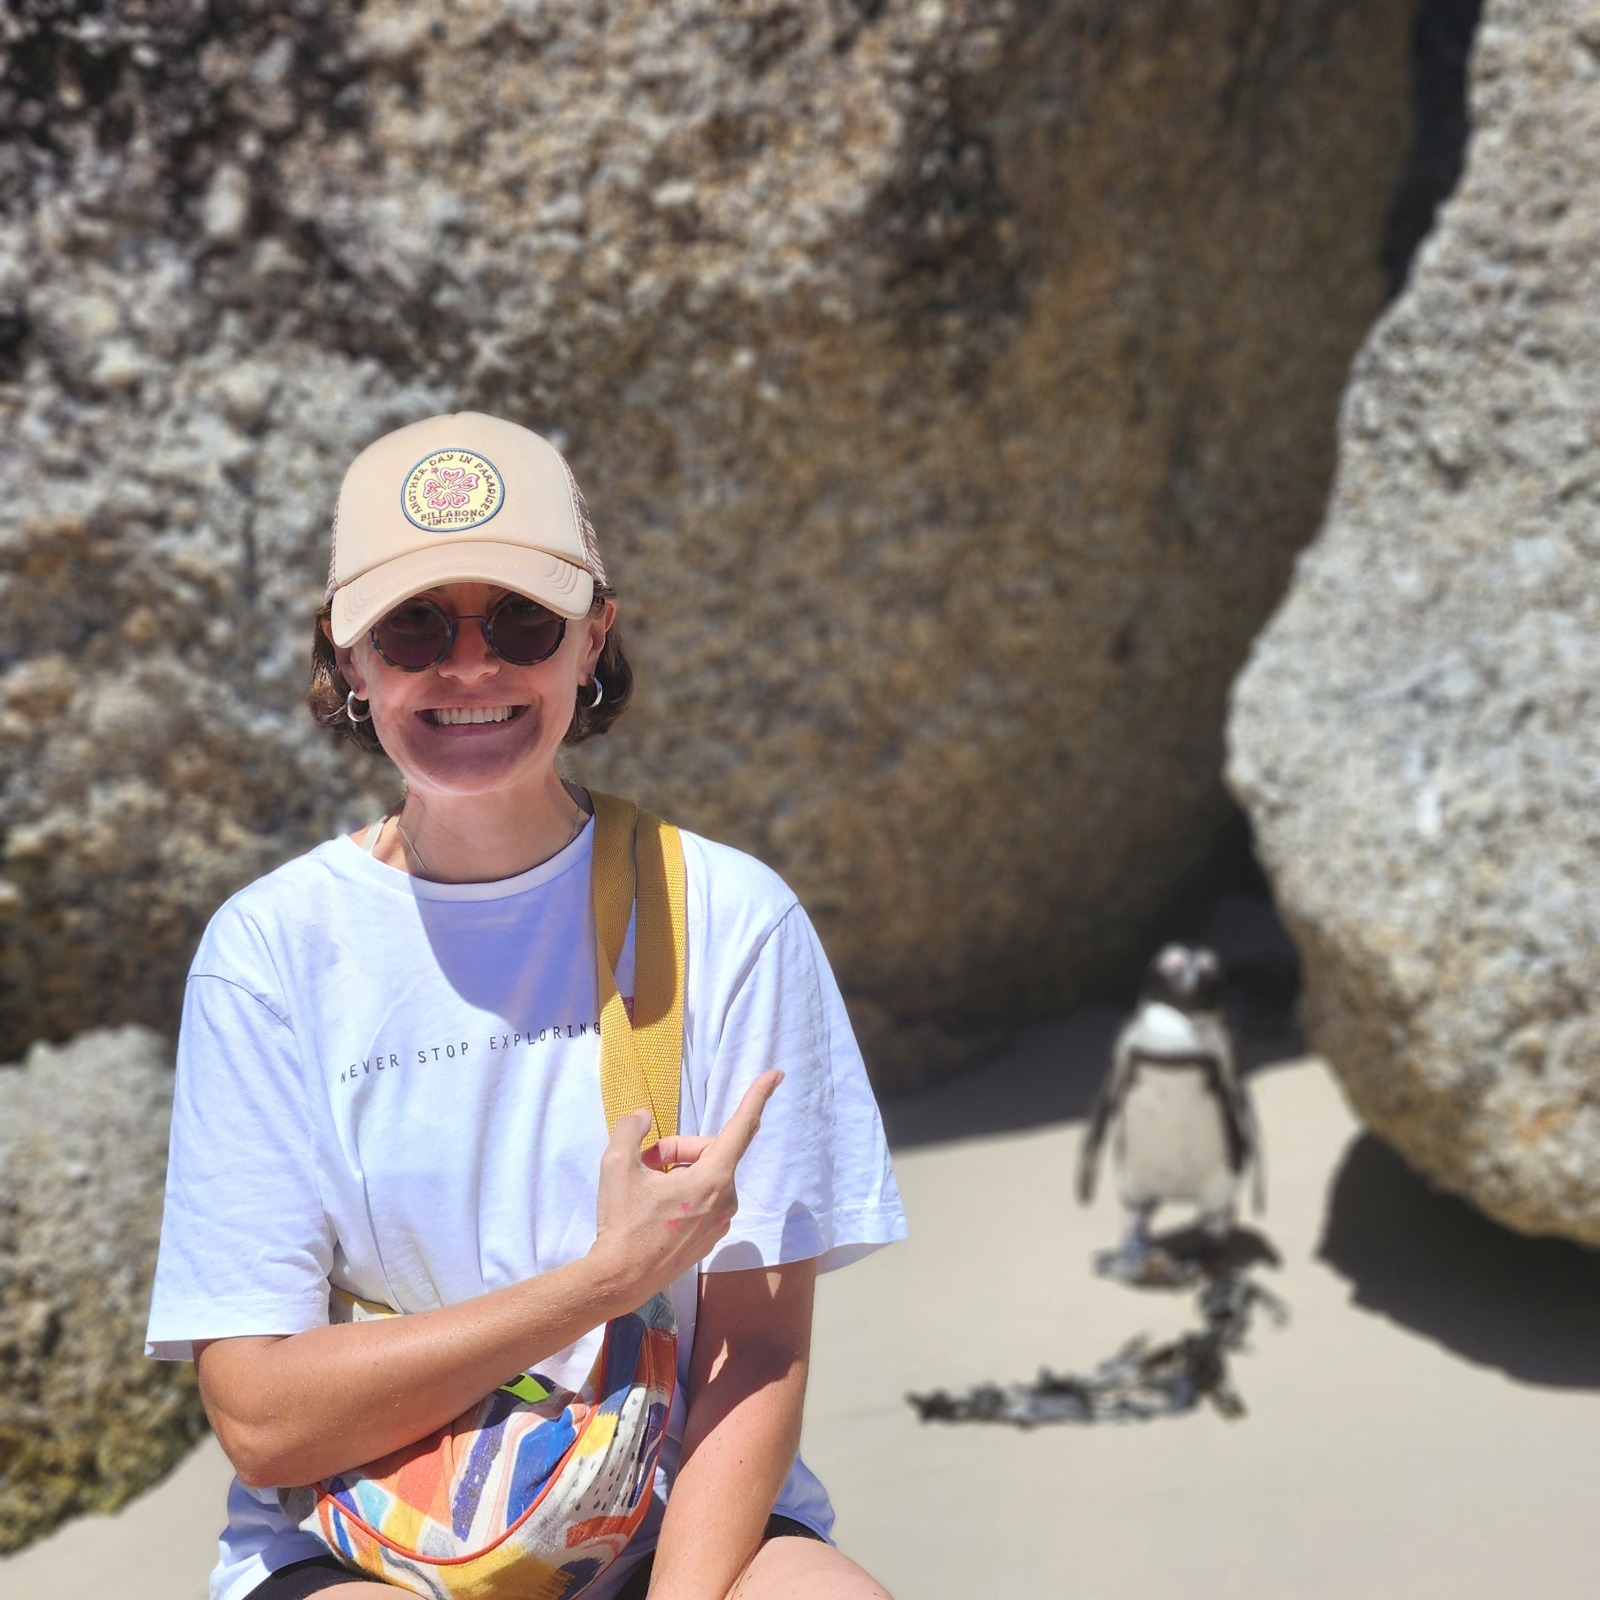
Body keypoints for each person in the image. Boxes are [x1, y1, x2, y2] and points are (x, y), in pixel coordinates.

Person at [145, 413, 908, 1600]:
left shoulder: (728, 916)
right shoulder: (270, 954)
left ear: (591, 640)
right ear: (348, 656)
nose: (469, 666)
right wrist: (601, 1283)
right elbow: (261, 1417)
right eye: (411, 626)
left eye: (520, 620)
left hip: (664, 1518)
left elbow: (754, 1350)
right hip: (368, 1544)